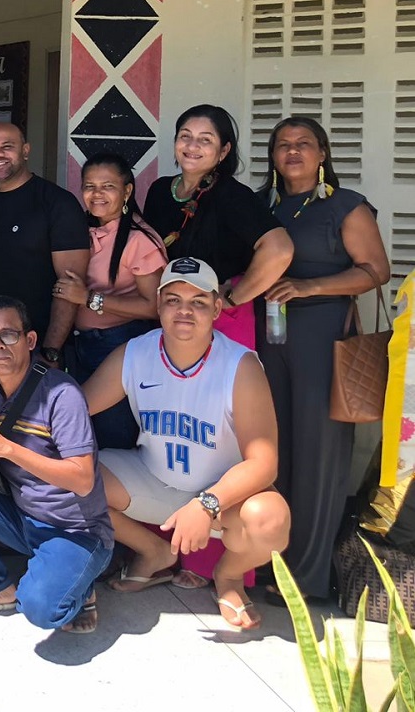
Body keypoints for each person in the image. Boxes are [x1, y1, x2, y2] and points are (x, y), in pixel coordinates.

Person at [84, 257, 291, 631]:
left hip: (220, 497)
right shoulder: (134, 353)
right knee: (72, 480)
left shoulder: (239, 366)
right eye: (174, 299)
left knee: (270, 521)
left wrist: (207, 504)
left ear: (216, 307)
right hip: (152, 480)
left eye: (198, 301)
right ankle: (153, 552)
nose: (184, 310)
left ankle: (227, 576)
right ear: (158, 305)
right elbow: (76, 411)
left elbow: (264, 463)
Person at [257, 117, 390, 601]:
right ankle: (268, 561)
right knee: (274, 452)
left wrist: (309, 286)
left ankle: (308, 577)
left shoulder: (344, 206)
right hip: (267, 338)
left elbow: (376, 270)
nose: (293, 152)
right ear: (272, 155)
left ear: (322, 153)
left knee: (317, 455)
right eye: (283, 145)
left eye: (303, 144)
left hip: (321, 336)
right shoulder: (262, 205)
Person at [0, 295, 113, 633]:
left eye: (8, 334)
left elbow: (83, 479)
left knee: (41, 611)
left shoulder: (61, 394)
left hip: (75, 531)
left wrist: (4, 447)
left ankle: (82, 586)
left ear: (29, 341)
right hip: (24, 519)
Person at [142, 104, 294, 349]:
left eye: (205, 140)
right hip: (171, 317)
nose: (192, 146)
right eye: (185, 136)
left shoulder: (232, 196)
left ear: (223, 151)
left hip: (218, 321)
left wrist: (233, 298)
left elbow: (280, 249)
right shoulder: (159, 190)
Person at [56, 152, 166, 449]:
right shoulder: (82, 230)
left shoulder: (139, 240)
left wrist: (90, 299)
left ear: (127, 190)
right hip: (79, 345)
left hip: (119, 345)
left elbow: (154, 306)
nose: (97, 194)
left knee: (112, 433)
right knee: (81, 434)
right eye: (89, 186)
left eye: (108, 186)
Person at [0, 122, 89, 368]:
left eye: (7, 147)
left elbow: (70, 285)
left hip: (40, 346)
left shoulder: (58, 204)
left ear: (25, 150)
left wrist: (51, 351)